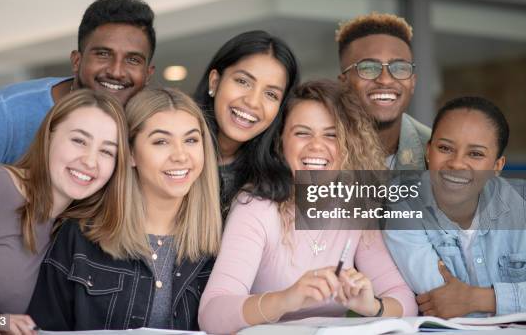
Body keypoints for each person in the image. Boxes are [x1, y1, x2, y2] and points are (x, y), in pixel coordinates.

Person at [198, 80, 417, 335]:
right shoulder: (255, 208)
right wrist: (287, 299)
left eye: (331, 135)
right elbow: (211, 314)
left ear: (349, 144)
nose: (316, 145)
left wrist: (372, 306)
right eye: (302, 133)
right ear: (281, 142)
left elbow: (404, 300)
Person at [0, 89, 128, 335]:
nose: (90, 161)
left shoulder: (74, 227)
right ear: (48, 136)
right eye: (79, 140)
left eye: (107, 151)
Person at [27, 88, 222, 331]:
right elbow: (43, 328)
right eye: (161, 141)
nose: (181, 156)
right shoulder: (78, 236)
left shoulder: (222, 244)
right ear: (130, 154)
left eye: (191, 140)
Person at [0, 0, 156, 196]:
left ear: (148, 74)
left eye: (133, 60)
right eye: (103, 54)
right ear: (77, 61)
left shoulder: (148, 126)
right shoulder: (8, 111)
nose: (116, 71)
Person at [383, 96, 526, 317]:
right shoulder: (403, 202)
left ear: (496, 166)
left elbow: (459, 303)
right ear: (428, 151)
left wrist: (482, 299)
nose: (457, 163)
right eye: (445, 148)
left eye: (476, 154)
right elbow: (443, 304)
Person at [194, 30, 299, 214]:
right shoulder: (176, 155)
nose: (252, 102)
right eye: (243, 81)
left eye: (271, 94)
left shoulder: (277, 178)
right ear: (215, 82)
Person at [336, 13, 430, 170]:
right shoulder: (318, 148)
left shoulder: (437, 153)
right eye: (368, 68)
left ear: (412, 82)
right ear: (343, 83)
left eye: (399, 67)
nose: (385, 80)